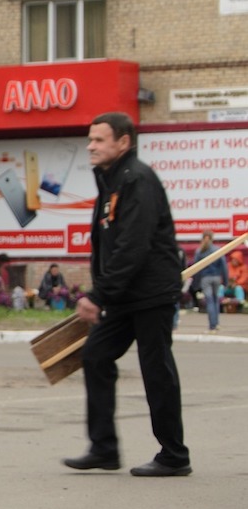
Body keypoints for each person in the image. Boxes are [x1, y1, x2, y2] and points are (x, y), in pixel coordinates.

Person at [64, 112, 190, 477]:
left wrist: (99, 294)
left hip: (151, 293)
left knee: (156, 371)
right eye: (90, 139)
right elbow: (108, 244)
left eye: (99, 140)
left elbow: (133, 245)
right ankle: (104, 448)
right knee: (96, 356)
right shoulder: (111, 181)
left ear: (123, 142)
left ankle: (174, 455)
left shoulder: (137, 180)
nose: (91, 146)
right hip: (124, 295)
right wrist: (105, 291)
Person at [191, 231, 227, 332]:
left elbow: (196, 269)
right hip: (216, 278)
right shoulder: (217, 249)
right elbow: (224, 266)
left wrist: (195, 284)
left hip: (205, 278)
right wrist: (225, 280)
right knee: (216, 300)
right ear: (212, 238)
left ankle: (212, 326)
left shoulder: (199, 251)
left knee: (210, 301)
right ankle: (217, 323)